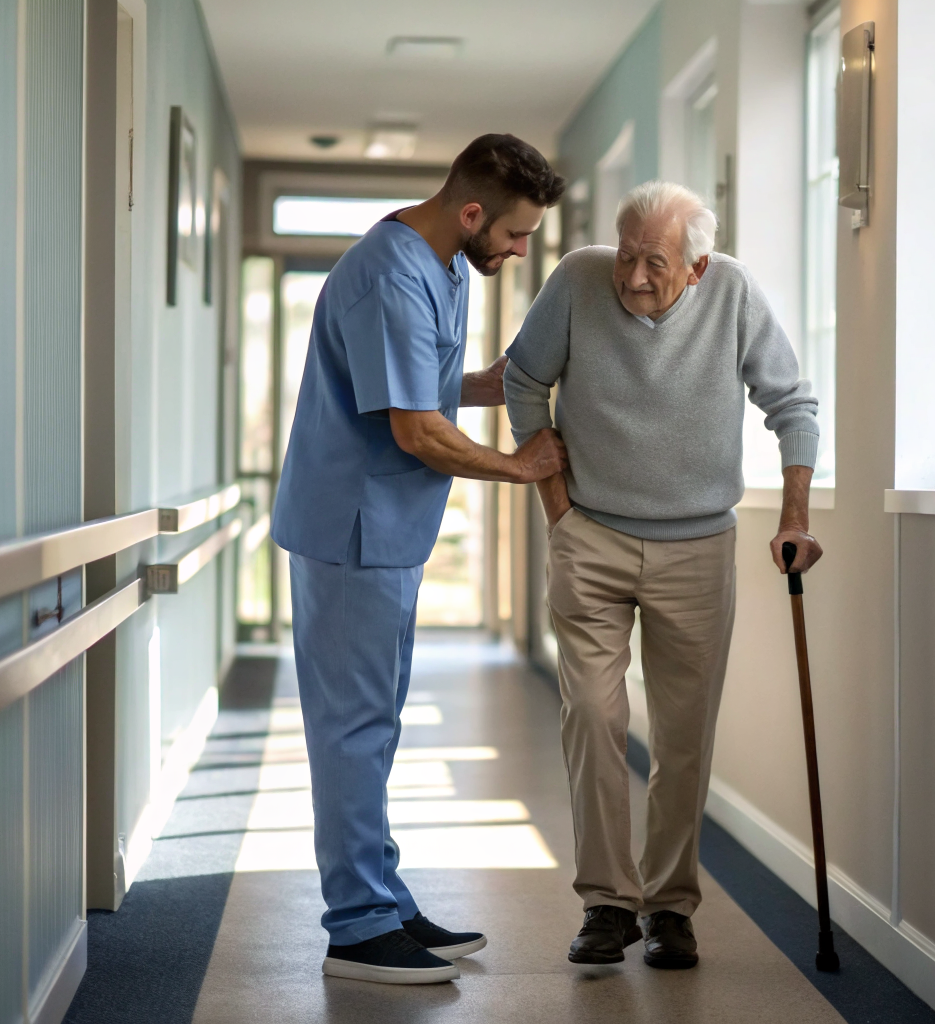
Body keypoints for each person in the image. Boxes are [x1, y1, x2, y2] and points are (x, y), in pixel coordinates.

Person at [503, 180, 824, 970]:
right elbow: (521, 378)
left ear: (698, 267)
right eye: (626, 255)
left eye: (654, 263)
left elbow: (791, 404)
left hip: (697, 546)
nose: (633, 278)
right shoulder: (578, 280)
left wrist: (794, 516)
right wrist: (556, 505)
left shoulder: (735, 294)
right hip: (593, 536)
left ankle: (670, 907)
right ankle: (607, 903)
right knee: (591, 714)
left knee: (683, 738)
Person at [270, 134, 567, 985]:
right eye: (512, 236)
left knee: (377, 726)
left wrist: (495, 380)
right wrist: (519, 465)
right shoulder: (390, 273)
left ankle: (385, 901)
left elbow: (424, 384)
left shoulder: (441, 263)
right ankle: (357, 927)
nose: (516, 251)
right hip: (350, 533)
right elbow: (413, 427)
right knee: (353, 731)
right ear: (472, 213)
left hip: (385, 534)